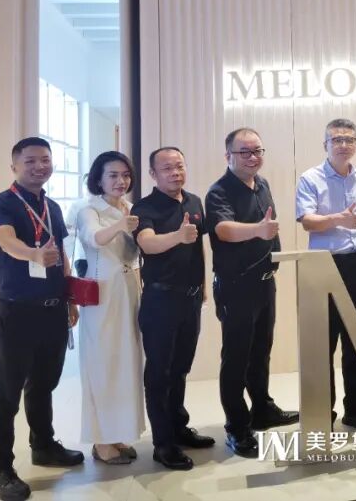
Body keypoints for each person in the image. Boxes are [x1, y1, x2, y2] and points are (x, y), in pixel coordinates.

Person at [0, 137, 83, 501]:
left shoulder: (51, 206)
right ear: (14, 166)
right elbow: (6, 241)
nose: (39, 166)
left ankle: (43, 446)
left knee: (44, 384)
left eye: (45, 159)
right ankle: (0, 470)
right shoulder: (1, 204)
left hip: (53, 310)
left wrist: (70, 297)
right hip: (17, 311)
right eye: (30, 161)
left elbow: (61, 255)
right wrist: (32, 255)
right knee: (6, 393)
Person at [207, 128, 299, 458]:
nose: (252, 157)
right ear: (228, 155)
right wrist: (258, 230)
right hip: (236, 286)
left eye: (257, 150)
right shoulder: (219, 191)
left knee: (260, 351)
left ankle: (262, 409)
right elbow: (223, 229)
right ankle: (236, 426)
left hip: (264, 282)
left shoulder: (262, 184)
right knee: (236, 358)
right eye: (244, 152)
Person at [295, 119, 356, 435]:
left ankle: (355, 410)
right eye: (337, 139)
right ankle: (323, 412)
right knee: (325, 343)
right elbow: (307, 221)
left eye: (349, 139)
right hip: (324, 266)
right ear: (326, 145)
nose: (343, 144)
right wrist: (337, 220)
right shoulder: (310, 178)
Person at [132, 146, 216, 470]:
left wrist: (203, 284)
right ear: (153, 174)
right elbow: (147, 243)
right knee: (159, 373)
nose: (175, 173)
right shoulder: (144, 207)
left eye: (179, 166)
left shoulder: (193, 201)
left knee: (180, 368)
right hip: (160, 300)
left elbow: (198, 247)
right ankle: (163, 444)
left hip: (190, 298)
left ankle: (179, 427)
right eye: (167, 168)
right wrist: (178, 236)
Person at [74, 151, 145, 465]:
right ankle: (101, 441)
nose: (121, 181)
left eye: (125, 175)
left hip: (128, 290)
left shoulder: (129, 207)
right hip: (101, 295)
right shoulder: (89, 209)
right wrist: (120, 224)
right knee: (102, 365)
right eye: (113, 175)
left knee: (126, 363)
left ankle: (117, 434)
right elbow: (94, 238)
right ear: (98, 179)